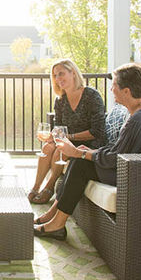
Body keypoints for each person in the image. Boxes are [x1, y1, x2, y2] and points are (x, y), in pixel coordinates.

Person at [33, 63, 141, 240]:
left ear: (126, 91)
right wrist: (87, 152)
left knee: (80, 163)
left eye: (114, 85)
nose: (112, 89)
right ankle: (54, 217)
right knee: (79, 160)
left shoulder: (139, 120)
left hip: (140, 176)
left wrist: (81, 153)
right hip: (136, 167)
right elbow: (121, 151)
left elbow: (115, 159)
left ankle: (56, 224)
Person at [28, 59, 106, 204]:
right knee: (47, 147)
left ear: (73, 73)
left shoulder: (92, 96)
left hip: (90, 142)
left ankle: (49, 188)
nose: (58, 79)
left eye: (61, 74)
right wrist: (53, 136)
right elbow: (58, 126)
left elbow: (97, 131)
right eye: (55, 76)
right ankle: (35, 187)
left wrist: (67, 137)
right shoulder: (60, 100)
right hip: (67, 139)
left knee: (60, 151)